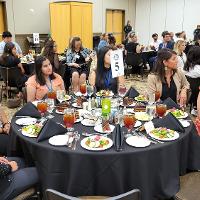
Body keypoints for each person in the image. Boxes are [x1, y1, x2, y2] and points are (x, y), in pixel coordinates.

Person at [184, 46, 200, 115]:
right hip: (197, 93)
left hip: (190, 92)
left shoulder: (186, 66)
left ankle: (194, 107)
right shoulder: (198, 68)